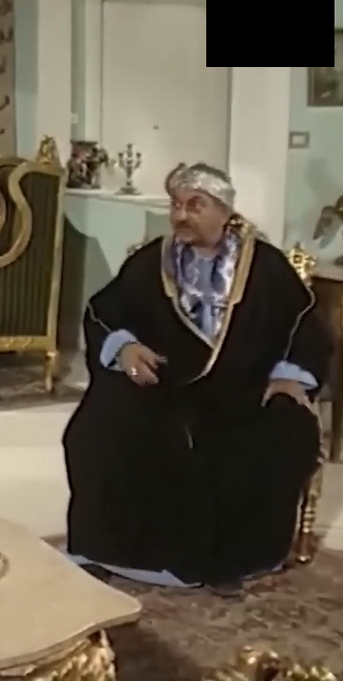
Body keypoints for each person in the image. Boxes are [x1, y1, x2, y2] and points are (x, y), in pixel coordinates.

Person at [63, 162, 331, 597]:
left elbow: (305, 328)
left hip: (243, 393)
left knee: (278, 431)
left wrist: (289, 378)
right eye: (176, 205)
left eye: (194, 205)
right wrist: (124, 348)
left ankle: (229, 562)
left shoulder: (265, 266)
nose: (181, 215)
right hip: (163, 388)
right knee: (97, 422)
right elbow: (104, 311)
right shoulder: (153, 260)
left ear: (223, 211)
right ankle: (108, 550)